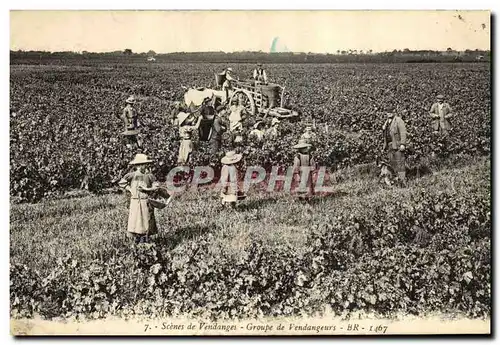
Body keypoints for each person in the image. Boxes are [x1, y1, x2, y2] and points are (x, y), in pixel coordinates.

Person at [118, 153, 160, 244]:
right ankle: (137, 240)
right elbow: (122, 183)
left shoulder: (149, 176)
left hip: (145, 201)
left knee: (146, 220)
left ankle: (145, 239)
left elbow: (156, 187)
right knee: (136, 221)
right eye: (139, 165)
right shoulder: (131, 175)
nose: (142, 167)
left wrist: (149, 189)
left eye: (144, 164)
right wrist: (130, 190)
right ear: (136, 166)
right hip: (135, 201)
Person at [382, 110, 408, 187]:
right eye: (387, 112)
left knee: (400, 163)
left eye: (390, 111)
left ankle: (402, 183)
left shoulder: (398, 120)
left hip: (397, 145)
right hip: (389, 145)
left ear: (394, 112)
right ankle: (395, 181)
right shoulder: (386, 122)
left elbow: (403, 132)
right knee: (392, 164)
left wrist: (403, 144)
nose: (389, 113)